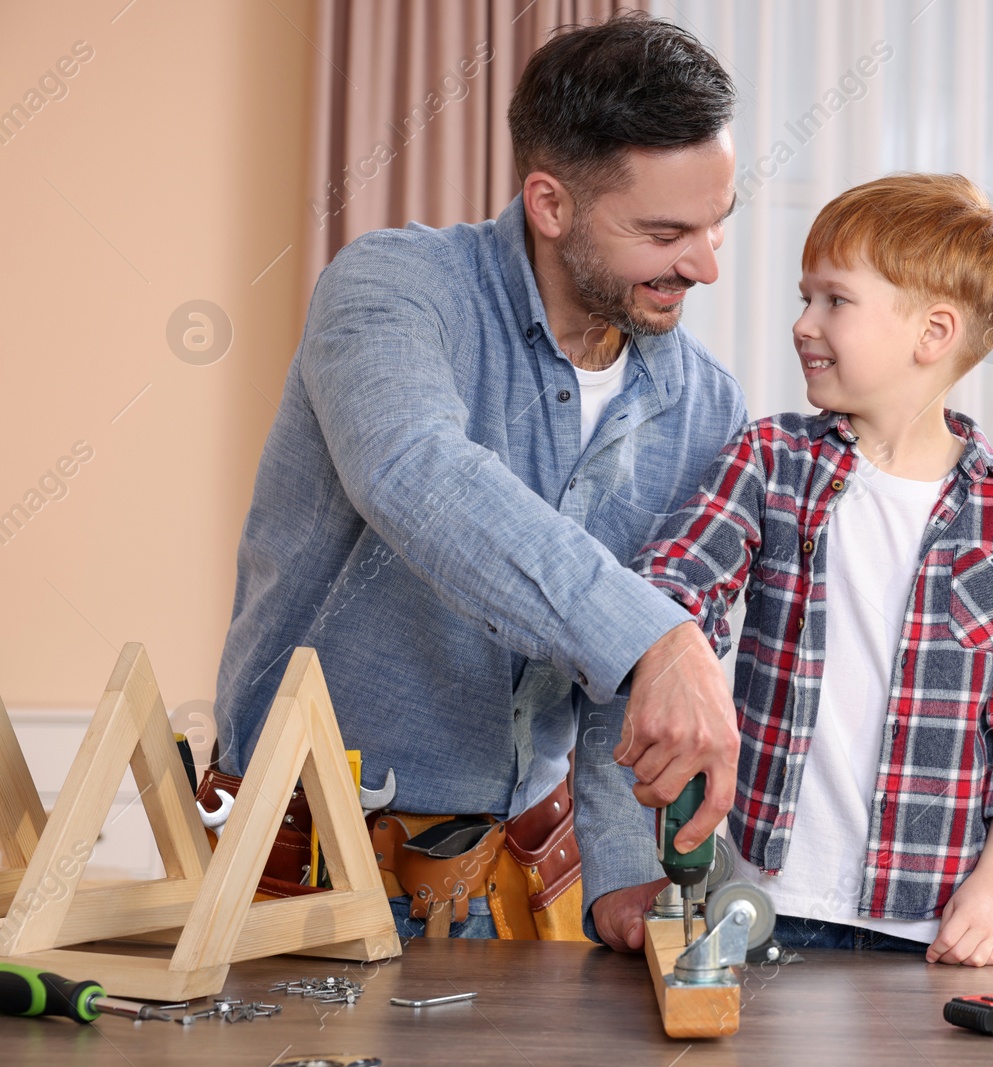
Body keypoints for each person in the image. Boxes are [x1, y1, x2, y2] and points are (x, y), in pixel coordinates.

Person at [210, 13, 746, 941]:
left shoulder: (706, 404)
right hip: (297, 878)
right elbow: (413, 470)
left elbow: (633, 685)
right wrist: (658, 634)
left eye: (716, 226)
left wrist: (624, 871)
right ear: (550, 203)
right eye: (665, 232)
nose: (702, 266)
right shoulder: (394, 288)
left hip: (522, 895)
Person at [581, 174, 993, 965]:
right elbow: (676, 578)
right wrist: (674, 642)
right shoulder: (771, 461)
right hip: (757, 904)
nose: (802, 323)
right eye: (803, 296)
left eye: (834, 301)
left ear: (933, 332)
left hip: (928, 927)